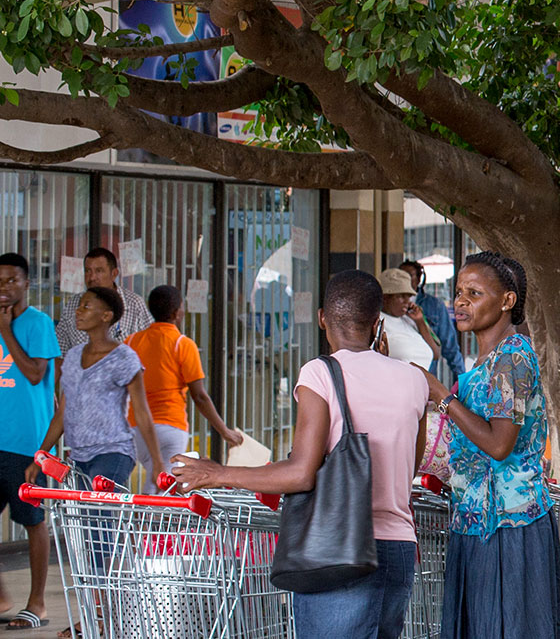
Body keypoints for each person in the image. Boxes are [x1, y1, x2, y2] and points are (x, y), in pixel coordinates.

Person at [170, 270, 430, 638]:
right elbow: (410, 465)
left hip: (337, 548)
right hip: (399, 547)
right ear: (377, 322)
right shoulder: (414, 379)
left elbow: (301, 473)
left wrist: (214, 473)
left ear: (323, 317)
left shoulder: (320, 373)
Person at [423, 252, 560, 639]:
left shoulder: (513, 356)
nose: (460, 302)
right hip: (475, 519)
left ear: (507, 301)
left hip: (509, 523)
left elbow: (500, 445)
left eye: (474, 293)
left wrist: (442, 397)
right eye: (458, 292)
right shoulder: (482, 362)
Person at [37, 287, 163, 492]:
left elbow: (141, 412)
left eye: (86, 306)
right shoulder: (73, 357)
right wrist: (40, 456)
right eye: (79, 306)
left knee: (100, 514)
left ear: (106, 316)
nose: (78, 311)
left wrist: (157, 462)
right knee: (82, 522)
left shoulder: (124, 357)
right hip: (78, 457)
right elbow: (63, 413)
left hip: (113, 452)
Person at [127, 284, 246, 493]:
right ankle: (149, 524)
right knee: (164, 486)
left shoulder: (133, 341)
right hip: (170, 427)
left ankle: (143, 520)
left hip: (135, 427)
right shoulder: (182, 344)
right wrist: (224, 431)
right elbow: (199, 396)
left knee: (156, 482)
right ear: (177, 313)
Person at [0, 252, 58, 632]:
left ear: (26, 283)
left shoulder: (38, 323)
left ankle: (36, 603)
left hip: (27, 444)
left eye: (11, 280)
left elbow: (36, 374)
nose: (4, 288)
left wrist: (6, 331)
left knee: (32, 522)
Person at [56, 246, 150, 350]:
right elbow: (60, 350)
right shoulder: (74, 304)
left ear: (114, 274)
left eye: (99, 271)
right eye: (87, 271)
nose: (92, 277)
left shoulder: (134, 304)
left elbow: (148, 347)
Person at [399, 260, 462, 383]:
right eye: (401, 275)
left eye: (408, 276)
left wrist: (461, 381)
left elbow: (450, 347)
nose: (404, 279)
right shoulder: (389, 307)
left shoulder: (435, 305)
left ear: (418, 280)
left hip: (427, 374)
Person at [378, 268, 442, 372]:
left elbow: (435, 354)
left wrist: (420, 322)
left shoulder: (409, 320)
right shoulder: (377, 322)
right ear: (385, 298)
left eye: (409, 296)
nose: (407, 301)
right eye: (401, 296)